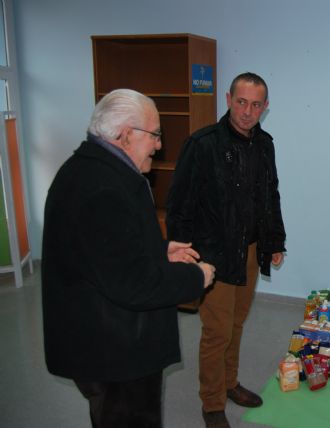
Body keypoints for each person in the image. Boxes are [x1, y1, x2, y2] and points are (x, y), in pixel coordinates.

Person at [41, 89, 216, 428]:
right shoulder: (103, 189)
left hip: (104, 340)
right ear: (123, 135)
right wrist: (197, 277)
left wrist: (157, 249)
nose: (159, 145)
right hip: (115, 351)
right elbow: (134, 284)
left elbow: (102, 252)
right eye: (154, 134)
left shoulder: (90, 171)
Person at [166, 72, 286, 428]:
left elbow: (271, 195)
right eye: (241, 102)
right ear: (229, 99)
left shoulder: (265, 144)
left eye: (256, 105)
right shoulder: (202, 144)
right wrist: (184, 254)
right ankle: (212, 401)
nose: (248, 111)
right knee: (217, 330)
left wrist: (274, 241)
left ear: (265, 107)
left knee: (236, 322)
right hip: (213, 255)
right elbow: (179, 205)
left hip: (250, 251)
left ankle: (229, 382)